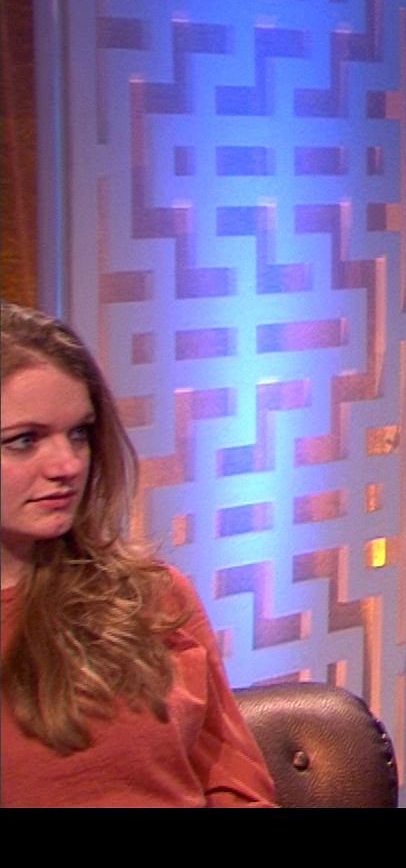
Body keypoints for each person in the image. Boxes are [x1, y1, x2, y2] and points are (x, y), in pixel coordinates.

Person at [1, 302, 276, 807]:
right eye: (24, 440)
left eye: (79, 434)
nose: (67, 465)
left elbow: (234, 780)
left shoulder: (151, 596)